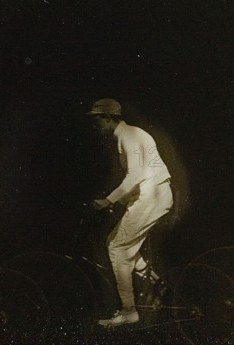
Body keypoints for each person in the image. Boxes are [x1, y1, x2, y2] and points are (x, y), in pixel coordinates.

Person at [87, 98, 173, 327]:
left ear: (107, 118)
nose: (95, 125)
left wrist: (108, 200)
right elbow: (141, 175)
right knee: (120, 243)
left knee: (116, 246)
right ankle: (155, 282)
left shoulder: (128, 136)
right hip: (151, 195)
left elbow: (135, 176)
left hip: (152, 197)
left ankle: (128, 311)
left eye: (97, 119)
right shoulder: (131, 135)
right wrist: (123, 199)